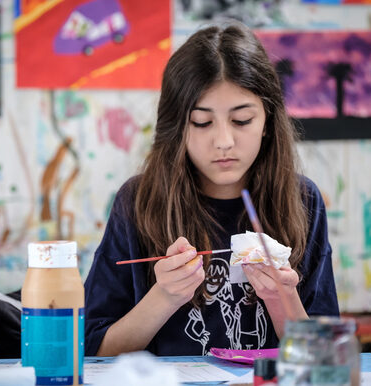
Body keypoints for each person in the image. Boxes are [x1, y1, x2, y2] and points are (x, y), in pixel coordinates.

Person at [84, 21, 339, 357]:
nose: (223, 142)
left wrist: (281, 298)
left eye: (242, 120)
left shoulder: (302, 200)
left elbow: (325, 358)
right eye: (202, 122)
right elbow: (93, 349)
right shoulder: (138, 202)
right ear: (177, 126)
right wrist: (164, 297)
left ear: (267, 122)